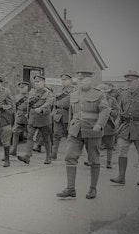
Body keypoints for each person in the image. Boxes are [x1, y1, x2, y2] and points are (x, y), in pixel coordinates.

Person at [56, 71, 110, 199]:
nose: (79, 81)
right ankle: (70, 188)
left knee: (93, 159)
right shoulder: (73, 94)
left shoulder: (99, 94)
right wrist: (69, 127)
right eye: (78, 79)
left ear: (90, 80)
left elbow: (105, 110)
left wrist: (99, 124)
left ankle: (92, 189)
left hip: (92, 130)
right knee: (69, 156)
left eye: (83, 79)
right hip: (76, 130)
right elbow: (71, 113)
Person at [110, 72, 139, 186]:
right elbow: (121, 112)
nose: (128, 83)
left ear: (137, 81)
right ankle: (121, 177)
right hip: (126, 127)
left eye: (130, 81)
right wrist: (117, 123)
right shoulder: (123, 94)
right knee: (122, 150)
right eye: (127, 81)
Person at [17, 75, 54, 164]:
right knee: (30, 136)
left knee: (46, 138)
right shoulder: (32, 92)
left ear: (43, 83)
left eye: (39, 82)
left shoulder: (48, 93)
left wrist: (41, 108)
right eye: (35, 82)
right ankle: (27, 155)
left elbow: (49, 103)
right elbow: (29, 103)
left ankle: (48, 157)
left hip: (44, 118)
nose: (36, 83)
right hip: (33, 117)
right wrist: (27, 113)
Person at [50, 73, 76, 159]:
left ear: (70, 81)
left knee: (70, 135)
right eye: (62, 80)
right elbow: (54, 103)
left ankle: (70, 154)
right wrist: (53, 113)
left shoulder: (73, 90)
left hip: (67, 114)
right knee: (56, 134)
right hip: (57, 114)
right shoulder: (58, 90)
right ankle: (54, 153)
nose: (63, 81)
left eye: (65, 80)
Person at [96, 83, 119, 169]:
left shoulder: (112, 100)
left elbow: (116, 112)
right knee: (95, 144)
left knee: (110, 145)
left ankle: (109, 162)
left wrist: (108, 110)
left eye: (105, 92)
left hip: (108, 124)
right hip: (97, 124)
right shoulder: (95, 99)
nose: (103, 94)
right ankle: (95, 161)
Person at [10, 82, 30, 157]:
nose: (22, 89)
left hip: (28, 116)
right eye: (20, 88)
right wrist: (15, 116)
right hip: (19, 116)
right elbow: (14, 107)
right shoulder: (16, 97)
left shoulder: (31, 96)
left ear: (27, 87)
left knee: (29, 134)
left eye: (23, 87)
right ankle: (14, 149)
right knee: (15, 132)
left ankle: (28, 151)